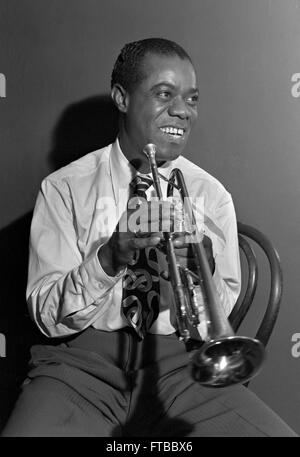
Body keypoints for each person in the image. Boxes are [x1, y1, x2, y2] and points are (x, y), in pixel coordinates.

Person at [2, 38, 297, 437]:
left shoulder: (211, 196)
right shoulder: (65, 188)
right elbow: (45, 315)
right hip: (80, 370)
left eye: (191, 99)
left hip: (180, 369)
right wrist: (108, 259)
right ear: (121, 97)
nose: (182, 110)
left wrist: (201, 272)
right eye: (164, 94)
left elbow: (219, 319)